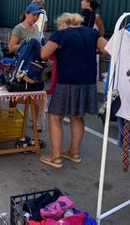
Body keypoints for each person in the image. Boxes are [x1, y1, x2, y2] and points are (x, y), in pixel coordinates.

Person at [40, 13, 108, 168]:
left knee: (55, 117)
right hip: (88, 82)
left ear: (63, 23)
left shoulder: (61, 34)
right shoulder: (92, 33)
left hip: (67, 82)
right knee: (77, 116)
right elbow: (107, 50)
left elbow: (44, 54)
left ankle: (56, 157)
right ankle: (74, 153)